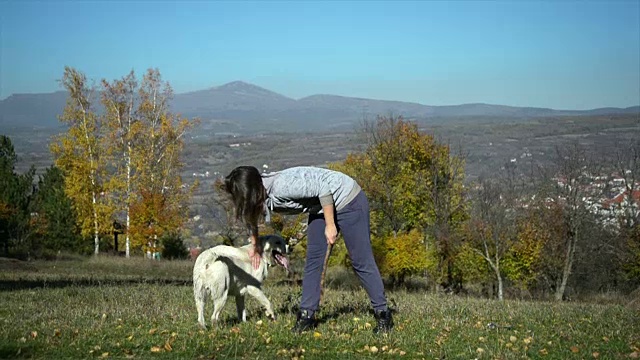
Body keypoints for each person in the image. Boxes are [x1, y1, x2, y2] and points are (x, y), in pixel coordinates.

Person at [223, 165, 393, 334]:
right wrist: (254, 245)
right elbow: (250, 214)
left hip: (347, 199)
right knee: (313, 261)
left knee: (360, 260)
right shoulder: (260, 193)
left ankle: (383, 313)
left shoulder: (282, 187)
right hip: (320, 205)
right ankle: (306, 316)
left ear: (250, 191)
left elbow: (323, 188)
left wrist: (330, 225)